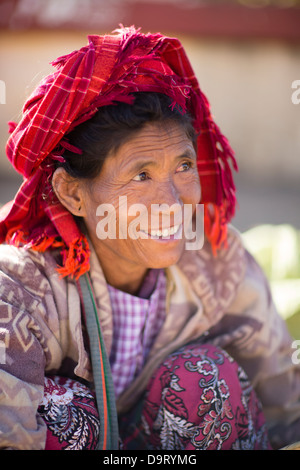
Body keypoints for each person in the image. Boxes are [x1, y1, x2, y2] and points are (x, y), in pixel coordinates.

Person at [0, 26, 299, 451]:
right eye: (141, 175)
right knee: (63, 408)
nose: (173, 202)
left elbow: (288, 412)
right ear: (72, 193)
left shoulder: (217, 262)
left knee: (202, 378)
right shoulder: (18, 290)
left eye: (182, 166)